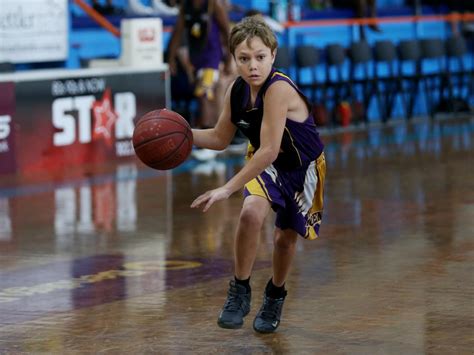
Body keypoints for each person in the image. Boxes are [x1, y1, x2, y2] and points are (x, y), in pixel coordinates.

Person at [190, 16, 326, 333]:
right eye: (244, 58)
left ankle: (275, 294)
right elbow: (220, 138)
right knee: (250, 214)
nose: (253, 66)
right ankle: (239, 290)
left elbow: (269, 150)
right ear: (234, 59)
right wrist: (182, 132)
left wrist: (226, 188)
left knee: (283, 240)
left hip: (302, 169)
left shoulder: (277, 88)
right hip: (267, 161)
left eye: (260, 57)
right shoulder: (235, 91)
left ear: (273, 56)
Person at [167, 0, 232, 160]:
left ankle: (212, 141)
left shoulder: (213, 5)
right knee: (202, 96)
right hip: (196, 58)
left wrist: (229, 58)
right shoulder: (186, 7)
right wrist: (171, 59)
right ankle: (212, 139)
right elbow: (177, 32)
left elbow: (226, 31)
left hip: (212, 58)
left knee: (204, 93)